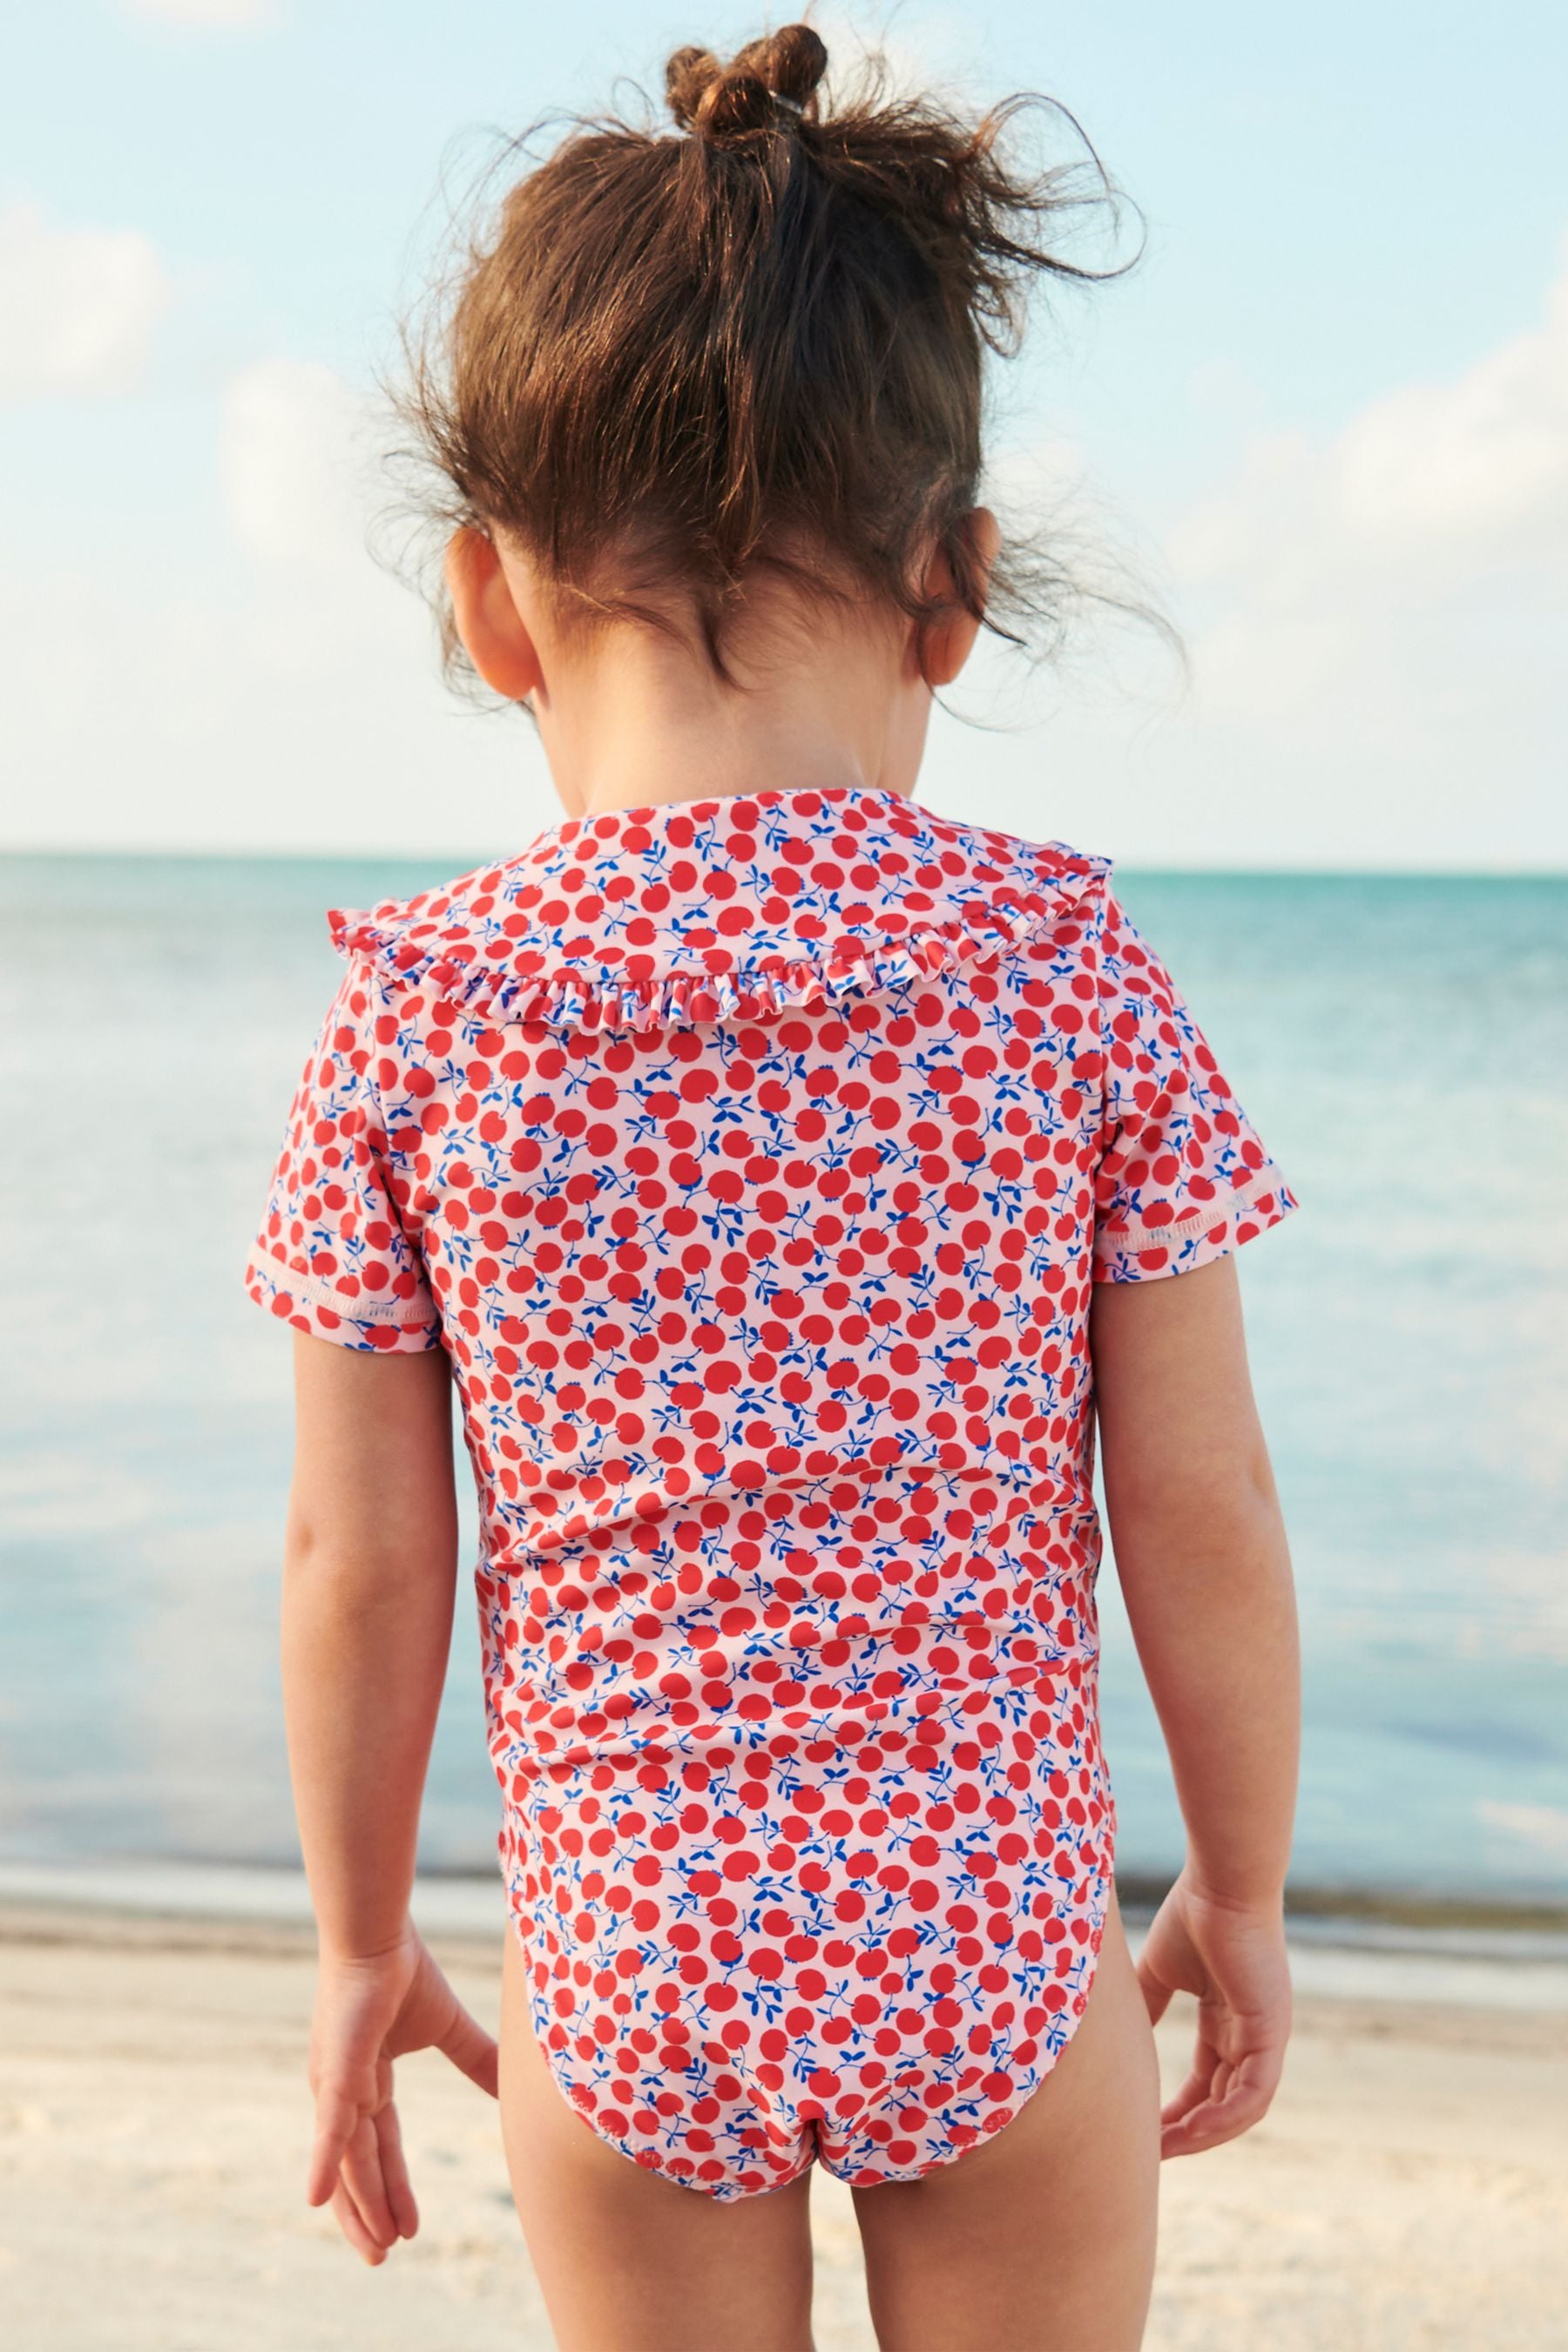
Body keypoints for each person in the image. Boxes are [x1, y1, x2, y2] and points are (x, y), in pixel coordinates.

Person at [243, 26, 1301, 2351]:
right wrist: (1239, 1884)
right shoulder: (1058, 971)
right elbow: (1200, 1495)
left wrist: (353, 1937)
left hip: (631, 1966)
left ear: (488, 601)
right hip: (999, 1946)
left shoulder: (424, 1013)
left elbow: (364, 1550)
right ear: (957, 586)